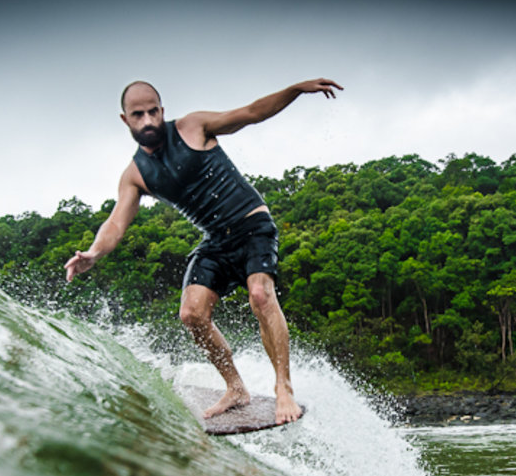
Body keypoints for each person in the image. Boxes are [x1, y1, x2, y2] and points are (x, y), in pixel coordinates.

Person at [65, 78, 343, 424]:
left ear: (162, 110)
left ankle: (283, 387)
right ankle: (236, 388)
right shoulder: (135, 174)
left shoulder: (192, 126)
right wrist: (93, 253)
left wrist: (296, 90)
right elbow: (116, 224)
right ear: (125, 120)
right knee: (191, 314)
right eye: (139, 115)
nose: (149, 120)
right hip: (215, 240)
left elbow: (252, 113)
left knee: (260, 294)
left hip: (252, 224)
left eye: (154, 111)